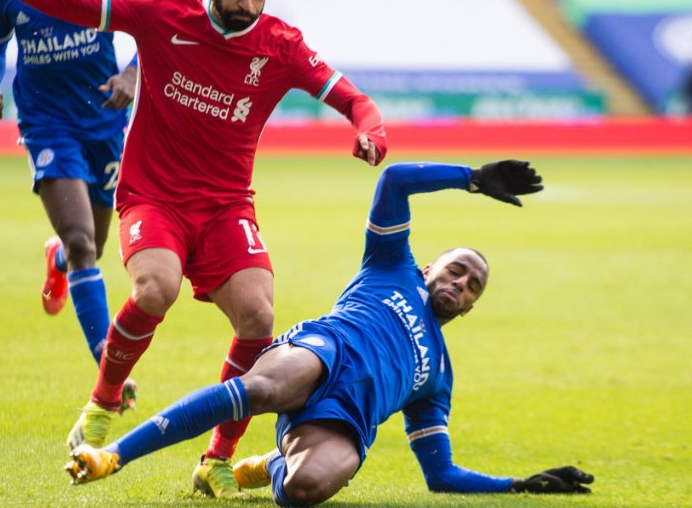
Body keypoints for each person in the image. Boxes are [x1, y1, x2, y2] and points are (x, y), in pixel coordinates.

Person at [0, 0, 388, 497]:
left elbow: (357, 101)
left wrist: (371, 131)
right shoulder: (161, 13)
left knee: (260, 318)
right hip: (154, 197)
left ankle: (216, 457)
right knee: (155, 289)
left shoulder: (281, 46)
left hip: (227, 209)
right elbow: (72, 1)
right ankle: (101, 402)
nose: (248, 1)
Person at [64, 159, 595, 505]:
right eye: (455, 269)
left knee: (305, 488)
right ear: (431, 267)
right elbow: (393, 181)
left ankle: (269, 465)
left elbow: (441, 475)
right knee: (263, 388)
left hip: (345, 422)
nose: (461, 282)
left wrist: (519, 484)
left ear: (473, 305)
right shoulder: (392, 264)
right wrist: (471, 179)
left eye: (473, 284)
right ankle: (113, 456)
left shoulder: (438, 378)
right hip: (323, 351)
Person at [0, 0, 141, 405]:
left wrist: (132, 76)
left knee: (91, 242)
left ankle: (59, 262)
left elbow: (153, 15)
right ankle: (107, 373)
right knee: (83, 245)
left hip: (104, 119)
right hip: (46, 123)